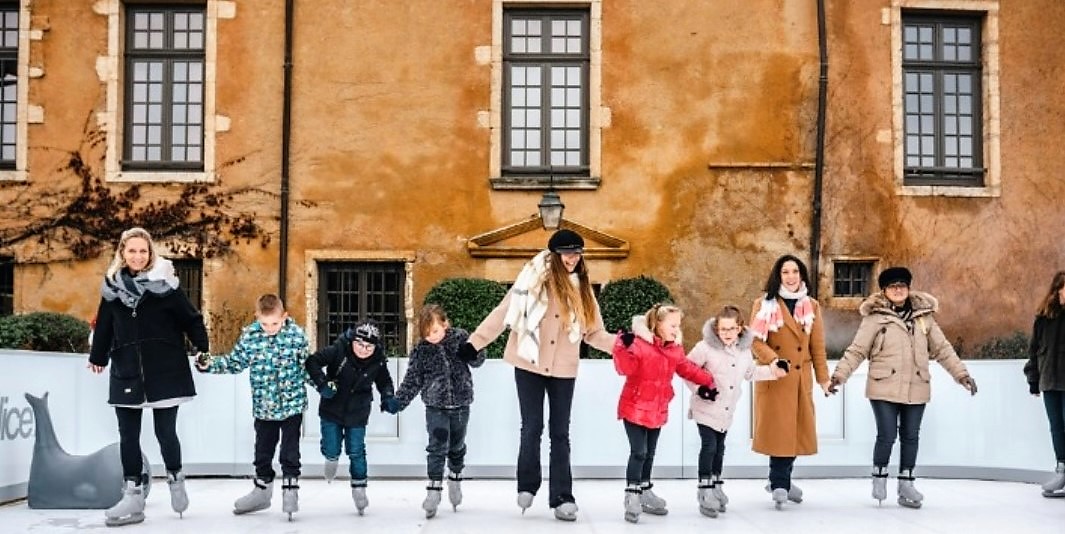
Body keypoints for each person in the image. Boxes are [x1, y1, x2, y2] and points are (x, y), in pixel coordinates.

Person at [463, 229, 616, 521]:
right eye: (567, 253)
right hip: (528, 362)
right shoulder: (532, 280)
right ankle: (527, 485)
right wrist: (474, 342)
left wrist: (621, 346)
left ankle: (562, 497)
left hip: (563, 368)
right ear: (556, 255)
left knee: (561, 433)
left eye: (577, 253)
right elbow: (503, 313)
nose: (573, 258)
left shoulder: (583, 288)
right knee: (531, 427)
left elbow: (594, 332)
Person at [87, 227, 209, 527]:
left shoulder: (165, 286)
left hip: (165, 368)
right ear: (122, 253)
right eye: (132, 251)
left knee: (165, 432)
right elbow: (104, 325)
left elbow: (191, 319)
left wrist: (203, 349)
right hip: (127, 368)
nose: (138, 256)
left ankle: (175, 477)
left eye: (143, 251)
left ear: (150, 253)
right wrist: (98, 356)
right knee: (127, 435)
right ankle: (132, 491)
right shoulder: (112, 289)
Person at [830, 266, 977, 508]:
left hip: (916, 384)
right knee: (887, 435)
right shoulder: (875, 318)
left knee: (911, 436)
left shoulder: (924, 318)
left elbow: (942, 349)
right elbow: (857, 350)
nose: (898, 290)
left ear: (908, 288)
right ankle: (879, 476)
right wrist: (839, 377)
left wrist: (961, 375)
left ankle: (906, 483)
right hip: (883, 385)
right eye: (892, 286)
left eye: (902, 286)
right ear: (884, 290)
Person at [195, 294, 310, 518]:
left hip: (292, 405)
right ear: (257, 317)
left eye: (275, 323)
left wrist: (326, 386)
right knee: (262, 451)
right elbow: (234, 362)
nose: (269, 328)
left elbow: (307, 367)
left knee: (289, 450)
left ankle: (290, 490)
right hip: (264, 406)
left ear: (284, 316)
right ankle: (262, 490)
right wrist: (209, 364)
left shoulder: (297, 335)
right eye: (264, 323)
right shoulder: (250, 336)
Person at [612, 304, 718, 523]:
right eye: (672, 325)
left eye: (678, 325)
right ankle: (632, 495)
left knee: (650, 453)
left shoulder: (674, 350)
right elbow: (625, 369)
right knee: (639, 451)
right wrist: (622, 347)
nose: (676, 329)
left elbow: (686, 368)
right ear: (657, 324)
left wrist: (708, 380)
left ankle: (645, 490)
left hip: (657, 408)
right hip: (634, 406)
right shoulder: (639, 345)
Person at [684, 305, 787, 517]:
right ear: (716, 329)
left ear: (740, 328)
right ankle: (704, 489)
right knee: (709, 446)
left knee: (720, 448)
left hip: (726, 411)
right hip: (705, 407)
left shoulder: (744, 351)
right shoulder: (705, 348)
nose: (727, 334)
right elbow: (687, 370)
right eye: (723, 329)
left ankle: (716, 483)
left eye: (731, 329)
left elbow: (750, 373)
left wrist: (773, 371)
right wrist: (700, 389)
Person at [385, 304, 486, 518]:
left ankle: (456, 478)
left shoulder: (460, 338)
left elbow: (479, 360)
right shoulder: (422, 351)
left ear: (445, 324)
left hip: (460, 403)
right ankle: (433, 490)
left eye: (435, 332)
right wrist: (398, 402)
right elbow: (412, 380)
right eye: (426, 334)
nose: (431, 337)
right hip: (435, 407)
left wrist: (473, 352)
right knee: (436, 447)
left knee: (457, 446)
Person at [748, 254, 829, 510]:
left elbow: (817, 346)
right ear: (778, 275)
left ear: (802, 275)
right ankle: (780, 483)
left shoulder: (812, 306)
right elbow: (754, 340)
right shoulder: (764, 303)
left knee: (795, 432)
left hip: (800, 378)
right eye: (786, 272)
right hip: (776, 376)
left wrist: (824, 379)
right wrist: (773, 361)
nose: (791, 277)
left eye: (795, 271)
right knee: (780, 432)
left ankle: (780, 480)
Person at [304, 319, 397, 515]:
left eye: (368, 346)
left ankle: (359, 488)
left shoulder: (378, 360)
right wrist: (322, 384)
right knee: (332, 445)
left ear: (375, 346)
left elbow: (385, 381)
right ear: (352, 341)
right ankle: (331, 457)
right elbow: (312, 361)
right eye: (359, 344)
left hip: (358, 411)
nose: (363, 349)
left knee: (356, 450)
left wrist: (388, 396)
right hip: (332, 409)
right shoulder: (338, 351)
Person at [1025, 271, 1065, 498]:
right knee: (1057, 428)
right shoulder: (1043, 318)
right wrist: (1034, 380)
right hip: (1050, 380)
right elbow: (1034, 350)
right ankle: (1061, 469)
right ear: (1058, 289)